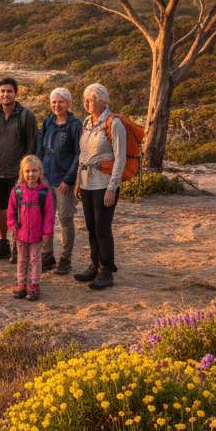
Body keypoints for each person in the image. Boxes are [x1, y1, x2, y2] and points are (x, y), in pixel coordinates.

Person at [74, 83, 126, 291]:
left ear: (103, 101)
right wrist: (78, 182)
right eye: (86, 99)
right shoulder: (87, 122)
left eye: (92, 99)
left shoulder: (114, 123)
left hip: (104, 183)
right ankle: (95, 265)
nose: (87, 103)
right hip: (87, 182)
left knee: (102, 227)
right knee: (90, 226)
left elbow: (120, 158)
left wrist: (112, 188)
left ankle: (106, 271)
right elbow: (83, 154)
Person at [0, 77, 38, 263]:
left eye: (9, 91)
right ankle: (3, 244)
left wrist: (29, 175)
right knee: (0, 210)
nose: (5, 94)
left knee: (20, 212)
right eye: (2, 91)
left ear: (16, 93)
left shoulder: (26, 116)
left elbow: (32, 146)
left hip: (18, 175)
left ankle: (18, 246)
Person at [36, 87, 82, 275]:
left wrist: (68, 179)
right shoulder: (47, 123)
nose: (57, 105)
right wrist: (38, 173)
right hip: (46, 177)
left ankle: (65, 258)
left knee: (65, 217)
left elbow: (79, 154)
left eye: (61, 101)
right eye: (54, 102)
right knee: (46, 217)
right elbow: (40, 149)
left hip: (64, 180)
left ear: (68, 103)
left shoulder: (75, 125)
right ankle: (47, 256)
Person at [7, 155, 55, 301]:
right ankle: (21, 283)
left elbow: (49, 214)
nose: (31, 174)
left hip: (37, 234)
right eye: (27, 171)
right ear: (22, 172)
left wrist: (47, 232)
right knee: (21, 259)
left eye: (34, 171)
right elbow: (11, 211)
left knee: (35, 260)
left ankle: (34, 284)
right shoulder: (17, 191)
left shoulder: (44, 191)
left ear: (40, 172)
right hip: (20, 233)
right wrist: (12, 227)